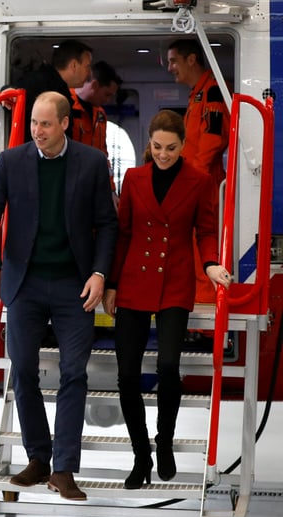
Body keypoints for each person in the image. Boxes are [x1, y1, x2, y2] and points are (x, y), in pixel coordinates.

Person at [0, 91, 118, 501]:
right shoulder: (11, 162)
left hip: (76, 285)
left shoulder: (90, 163)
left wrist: (99, 274)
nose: (38, 131)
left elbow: (107, 225)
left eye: (46, 124)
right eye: (34, 123)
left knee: (74, 373)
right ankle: (38, 458)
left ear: (65, 124)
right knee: (22, 372)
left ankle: (63, 469)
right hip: (25, 284)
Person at [102, 110, 232, 489]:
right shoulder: (134, 177)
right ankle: (140, 455)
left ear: (182, 146)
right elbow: (123, 234)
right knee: (126, 374)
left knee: (169, 366)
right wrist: (111, 283)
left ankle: (165, 443)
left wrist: (210, 263)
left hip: (175, 283)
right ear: (149, 143)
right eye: (157, 147)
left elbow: (206, 230)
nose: (162, 154)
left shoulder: (199, 181)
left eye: (171, 148)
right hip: (132, 283)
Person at [167, 38, 230, 304]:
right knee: (191, 252)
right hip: (196, 183)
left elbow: (212, 142)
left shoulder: (212, 92)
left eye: (173, 61)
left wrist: (191, 183)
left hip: (204, 185)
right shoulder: (199, 94)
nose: (170, 67)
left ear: (191, 59)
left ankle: (205, 324)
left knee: (203, 252)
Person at [10, 39, 94, 143]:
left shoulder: (61, 89)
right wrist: (7, 91)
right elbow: (13, 94)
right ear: (74, 66)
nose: (89, 73)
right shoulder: (40, 82)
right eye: (88, 66)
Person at [71, 60, 122, 156]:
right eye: (107, 94)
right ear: (95, 85)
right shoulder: (66, 105)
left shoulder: (100, 114)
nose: (108, 100)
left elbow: (102, 149)